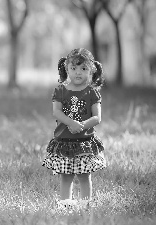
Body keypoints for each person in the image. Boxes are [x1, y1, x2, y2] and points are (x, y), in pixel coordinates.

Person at [42, 48, 107, 208]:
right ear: (67, 69)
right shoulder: (60, 90)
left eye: (83, 68)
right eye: (74, 68)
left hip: (84, 141)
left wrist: (82, 125)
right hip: (64, 140)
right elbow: (56, 112)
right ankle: (65, 204)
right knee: (66, 175)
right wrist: (71, 123)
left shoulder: (92, 92)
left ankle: (85, 204)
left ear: (91, 70)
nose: (78, 72)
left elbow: (97, 117)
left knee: (84, 175)